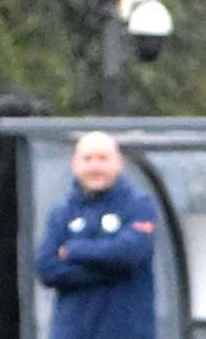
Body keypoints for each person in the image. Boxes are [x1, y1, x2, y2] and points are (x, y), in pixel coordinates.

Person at [35, 130, 157, 339]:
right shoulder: (62, 211)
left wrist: (74, 250)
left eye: (102, 158)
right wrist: (113, 267)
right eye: (88, 159)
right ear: (75, 164)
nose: (95, 166)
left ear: (118, 162)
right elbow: (46, 267)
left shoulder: (139, 204)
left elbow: (130, 253)